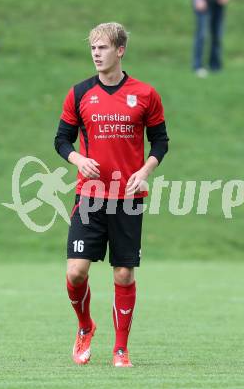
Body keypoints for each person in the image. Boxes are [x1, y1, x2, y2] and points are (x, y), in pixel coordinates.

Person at [54, 22, 169, 367]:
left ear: (120, 51)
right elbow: (62, 139)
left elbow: (160, 140)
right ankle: (85, 326)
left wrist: (144, 170)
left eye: (102, 48)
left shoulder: (145, 94)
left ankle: (121, 350)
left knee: (123, 273)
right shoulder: (78, 94)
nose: (96, 54)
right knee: (76, 272)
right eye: (92, 48)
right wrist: (77, 158)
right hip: (88, 197)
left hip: (127, 198)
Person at [192, 0, 229, 77]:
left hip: (218, 3)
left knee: (217, 35)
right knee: (201, 34)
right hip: (203, 1)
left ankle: (215, 66)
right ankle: (198, 66)